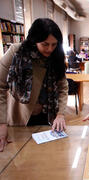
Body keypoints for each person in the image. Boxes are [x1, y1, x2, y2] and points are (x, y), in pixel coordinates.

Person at [0, 18, 68, 152]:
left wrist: (61, 114)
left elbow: (62, 87)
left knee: (47, 156)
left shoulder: (57, 57)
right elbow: (0, 86)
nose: (50, 49)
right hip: (20, 116)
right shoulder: (16, 52)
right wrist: (1, 123)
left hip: (48, 117)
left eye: (54, 44)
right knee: (20, 158)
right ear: (34, 40)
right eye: (45, 44)